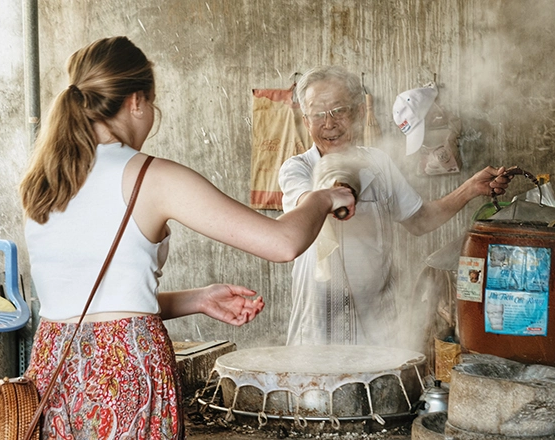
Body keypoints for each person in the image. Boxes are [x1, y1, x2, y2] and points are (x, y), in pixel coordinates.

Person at [18, 37, 355, 439]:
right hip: (127, 380)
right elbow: (282, 243)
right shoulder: (150, 177)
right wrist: (324, 196)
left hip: (53, 373)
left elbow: (99, 310)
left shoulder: (44, 182)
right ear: (138, 101)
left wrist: (198, 299)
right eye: (153, 106)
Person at [278, 65, 511, 347]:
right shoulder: (297, 170)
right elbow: (305, 205)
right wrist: (331, 192)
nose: (329, 123)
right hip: (318, 328)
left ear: (359, 112)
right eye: (318, 114)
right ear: (306, 120)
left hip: (378, 329)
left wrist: (470, 188)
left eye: (339, 110)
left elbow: (420, 220)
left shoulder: (379, 164)